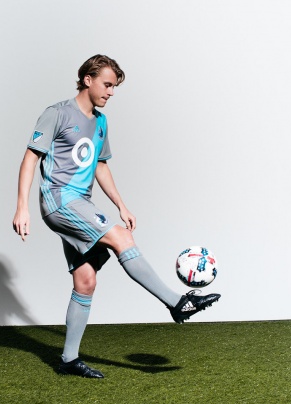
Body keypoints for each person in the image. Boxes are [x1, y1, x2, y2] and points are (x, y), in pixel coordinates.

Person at [12, 54, 220, 379]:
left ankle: (68, 360)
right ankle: (178, 303)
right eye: (107, 85)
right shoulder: (57, 113)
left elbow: (100, 165)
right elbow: (30, 158)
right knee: (122, 237)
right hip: (59, 200)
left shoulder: (101, 123)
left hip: (80, 202)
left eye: (114, 87)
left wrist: (121, 205)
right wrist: (22, 206)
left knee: (86, 281)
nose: (111, 92)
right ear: (88, 80)